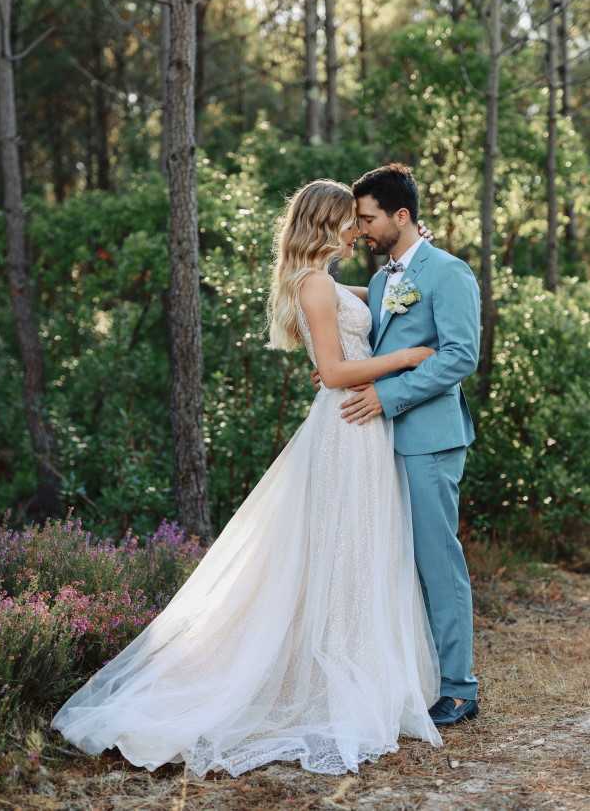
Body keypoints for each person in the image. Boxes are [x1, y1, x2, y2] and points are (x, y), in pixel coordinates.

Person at [51, 179, 442, 778]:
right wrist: (409, 359)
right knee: (344, 548)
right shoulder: (313, 284)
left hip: (363, 428)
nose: (357, 230)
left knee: (362, 547)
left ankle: (368, 671)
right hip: (346, 429)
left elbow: (385, 298)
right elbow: (334, 370)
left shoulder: (328, 283)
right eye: (349, 221)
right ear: (327, 222)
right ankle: (329, 679)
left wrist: (417, 275)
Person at [330, 163, 481, 727]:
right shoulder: (378, 279)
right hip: (379, 442)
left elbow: (460, 356)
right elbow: (329, 302)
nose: (362, 230)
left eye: (368, 219)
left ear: (402, 215)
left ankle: (459, 687)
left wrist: (387, 396)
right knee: (390, 558)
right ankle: (410, 676)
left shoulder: (449, 273)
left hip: (430, 438)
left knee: (436, 559)